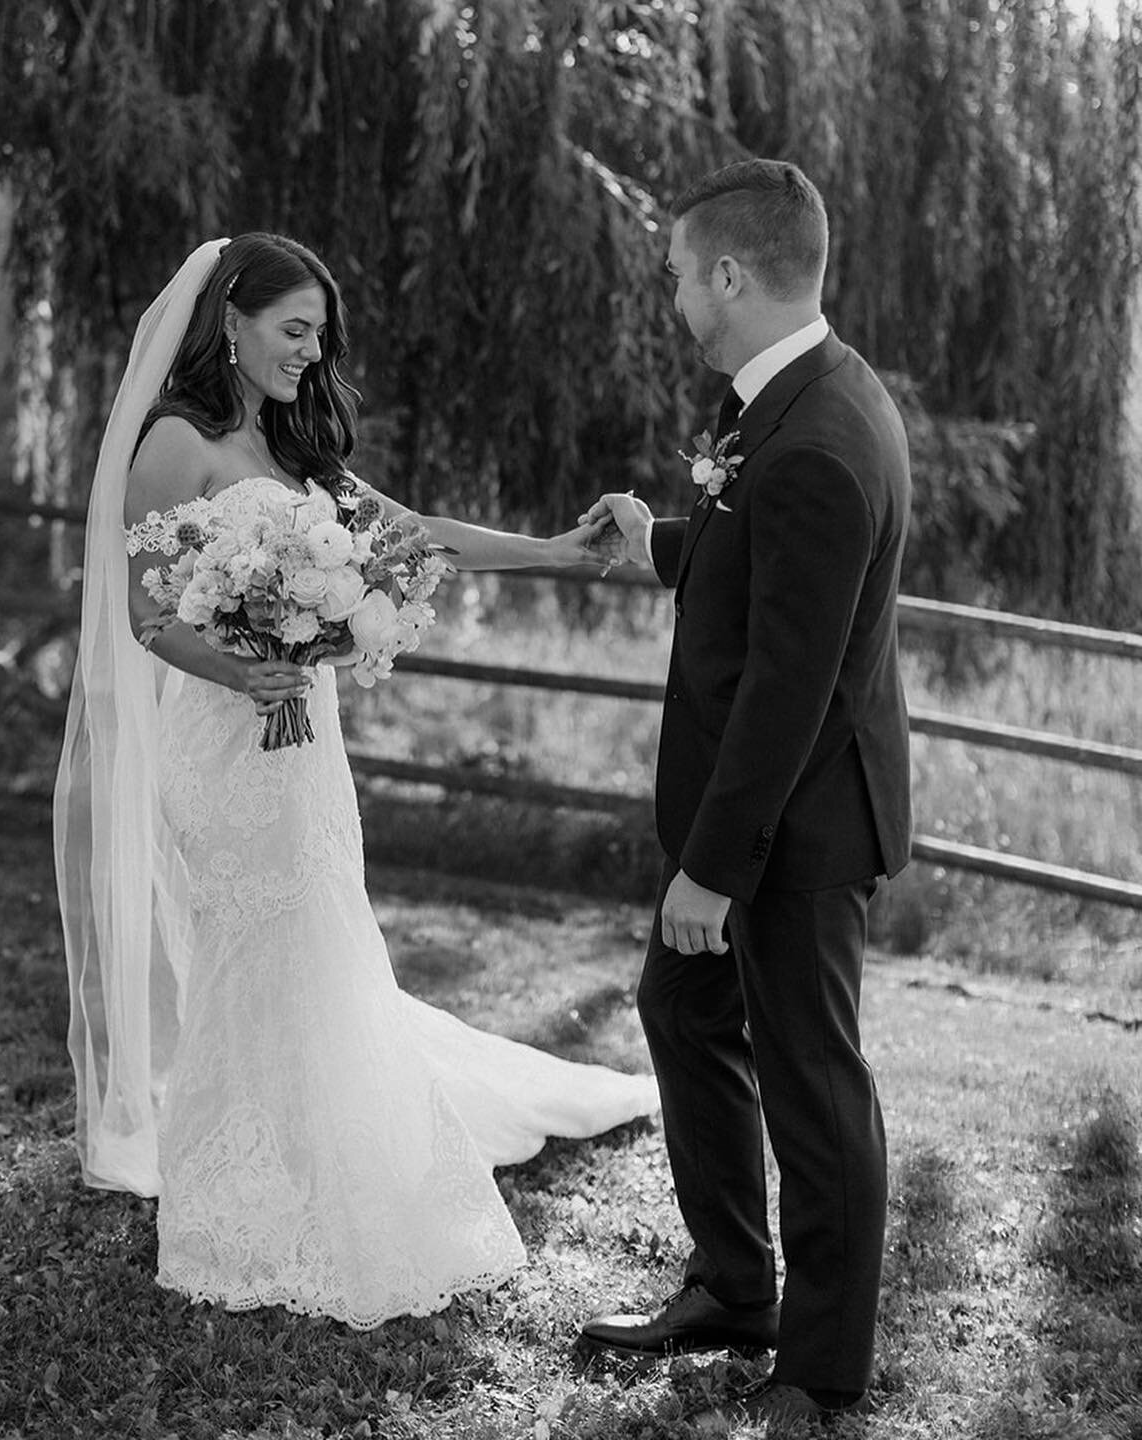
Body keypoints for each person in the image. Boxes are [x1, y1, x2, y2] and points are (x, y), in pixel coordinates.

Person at [53, 232, 658, 1331]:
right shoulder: (172, 445)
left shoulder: (297, 455)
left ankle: (326, 1154)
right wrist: (243, 661)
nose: (308, 354)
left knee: (326, 931)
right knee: (252, 944)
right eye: (293, 332)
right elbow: (145, 615)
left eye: (319, 338)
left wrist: (564, 553)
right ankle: (237, 1195)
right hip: (223, 743)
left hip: (306, 744)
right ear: (230, 324)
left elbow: (415, 535)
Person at [577, 160, 911, 1424]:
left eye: (676, 275)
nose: (672, 298)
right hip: (762, 811)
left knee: (816, 1084)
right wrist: (662, 536)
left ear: (730, 275)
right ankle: (734, 1286)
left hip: (796, 827)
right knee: (683, 1011)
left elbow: (792, 686)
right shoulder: (799, 395)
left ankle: (820, 1372)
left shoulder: (820, 438)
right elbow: (767, 572)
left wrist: (714, 870)